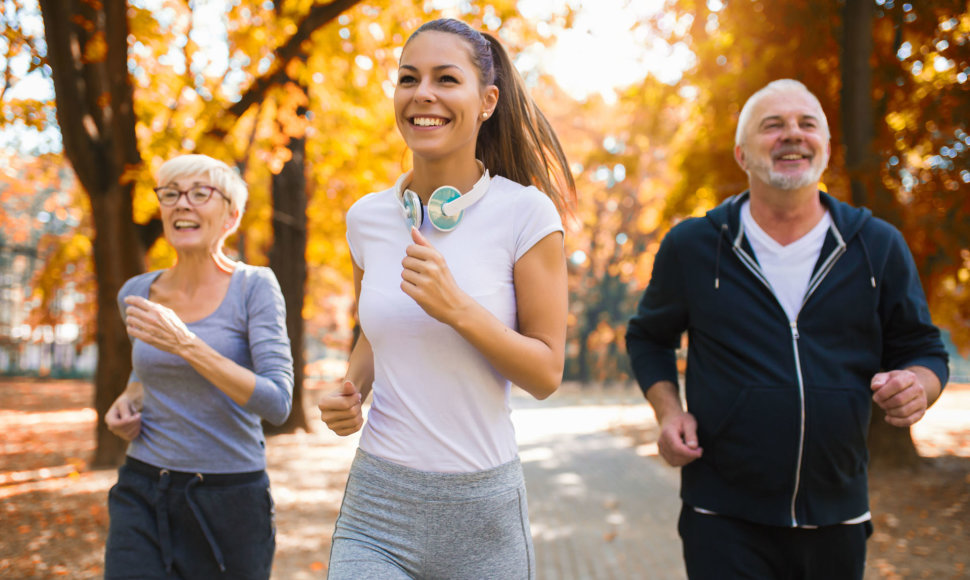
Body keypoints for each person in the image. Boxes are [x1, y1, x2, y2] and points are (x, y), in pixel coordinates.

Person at [626, 79, 948, 580]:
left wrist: (919, 386)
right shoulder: (694, 245)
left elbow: (924, 349)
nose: (792, 135)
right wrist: (669, 414)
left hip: (838, 513)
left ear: (826, 146)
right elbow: (648, 336)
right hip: (721, 515)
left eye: (807, 124)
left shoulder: (876, 244)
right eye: (772, 125)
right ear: (741, 154)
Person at [317, 18, 574, 580]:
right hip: (377, 506)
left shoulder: (526, 215)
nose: (422, 94)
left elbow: (546, 373)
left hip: (483, 514)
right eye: (408, 79)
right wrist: (351, 391)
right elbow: (376, 334)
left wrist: (457, 308)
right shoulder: (367, 219)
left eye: (445, 79)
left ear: (487, 101)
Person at [102, 154, 294, 579]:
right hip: (144, 488)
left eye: (200, 193)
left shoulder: (254, 287)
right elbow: (144, 372)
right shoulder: (136, 293)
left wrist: (187, 344)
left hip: (230, 498)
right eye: (170, 194)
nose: (181, 204)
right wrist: (128, 401)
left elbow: (277, 402)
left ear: (231, 216)